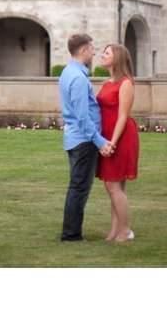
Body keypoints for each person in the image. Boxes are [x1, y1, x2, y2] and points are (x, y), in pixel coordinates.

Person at [59, 33, 114, 241]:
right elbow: (83, 117)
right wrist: (100, 141)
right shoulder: (78, 78)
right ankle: (71, 234)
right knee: (79, 188)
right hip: (84, 140)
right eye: (92, 48)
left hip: (75, 139)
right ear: (83, 50)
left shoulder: (68, 72)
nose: (94, 52)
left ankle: (71, 232)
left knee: (77, 186)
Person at [95, 44, 140, 241]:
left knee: (113, 185)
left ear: (118, 58)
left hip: (119, 136)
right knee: (115, 186)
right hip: (107, 133)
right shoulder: (108, 82)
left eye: (107, 53)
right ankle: (115, 231)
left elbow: (123, 116)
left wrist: (111, 142)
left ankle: (125, 231)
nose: (102, 55)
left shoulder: (125, 83)